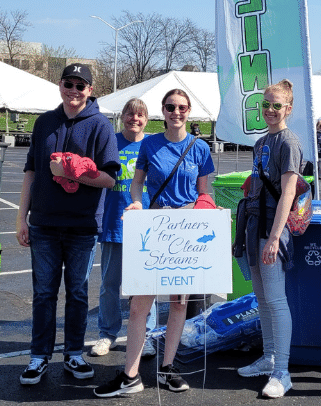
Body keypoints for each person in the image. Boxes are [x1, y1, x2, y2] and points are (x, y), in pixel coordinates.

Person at [93, 88, 215, 397]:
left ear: (189, 112)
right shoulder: (150, 144)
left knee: (178, 303)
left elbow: (204, 193)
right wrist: (136, 202)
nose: (177, 112)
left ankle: (167, 368)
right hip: (156, 225)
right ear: (163, 110)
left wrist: (208, 212)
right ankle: (130, 375)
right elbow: (137, 184)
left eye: (182, 107)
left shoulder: (199, 148)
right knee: (139, 305)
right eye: (171, 107)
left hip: (186, 230)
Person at [16, 63, 120, 385]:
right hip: (44, 224)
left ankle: (74, 353)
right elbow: (31, 171)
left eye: (80, 85)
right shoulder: (44, 123)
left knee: (77, 294)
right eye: (68, 83)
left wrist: (76, 172)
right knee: (44, 293)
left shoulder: (100, 126)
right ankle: (38, 356)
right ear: (60, 85)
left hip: (82, 227)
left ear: (90, 90)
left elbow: (110, 179)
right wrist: (21, 217)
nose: (73, 91)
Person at [235, 79, 302, 399]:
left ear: (288, 108)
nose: (270, 110)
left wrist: (275, 238)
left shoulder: (289, 142)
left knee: (276, 300)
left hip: (273, 229)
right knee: (262, 299)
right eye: (266, 105)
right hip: (253, 226)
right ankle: (270, 357)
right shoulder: (261, 142)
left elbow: (289, 193)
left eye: (277, 105)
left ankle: (282, 372)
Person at [90, 98, 156, 358]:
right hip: (114, 222)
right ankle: (107, 334)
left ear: (147, 119)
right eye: (130, 114)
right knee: (109, 284)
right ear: (122, 117)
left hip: (146, 227)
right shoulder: (111, 143)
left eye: (140, 115)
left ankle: (146, 335)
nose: (135, 119)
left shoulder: (152, 144)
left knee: (145, 285)